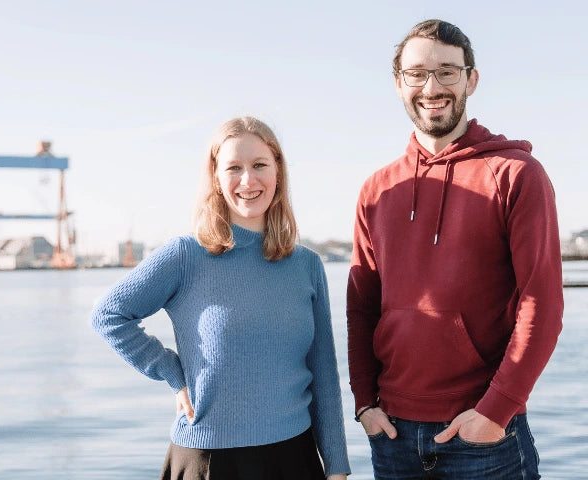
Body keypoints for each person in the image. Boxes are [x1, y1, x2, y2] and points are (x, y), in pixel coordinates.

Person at [347, 19, 563, 480]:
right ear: (398, 84)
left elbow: (541, 303)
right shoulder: (377, 190)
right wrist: (364, 401)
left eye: (447, 71)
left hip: (484, 435)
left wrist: (496, 410)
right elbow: (361, 307)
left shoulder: (516, 174)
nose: (432, 87)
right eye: (418, 74)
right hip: (393, 435)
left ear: (471, 79)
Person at [91, 116, 350, 480]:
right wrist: (171, 372)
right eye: (234, 168)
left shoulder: (306, 265)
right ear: (216, 176)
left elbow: (323, 372)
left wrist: (337, 466)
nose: (248, 180)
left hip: (296, 458)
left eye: (260, 164)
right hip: (209, 459)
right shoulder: (185, 256)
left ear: (278, 170)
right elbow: (109, 315)